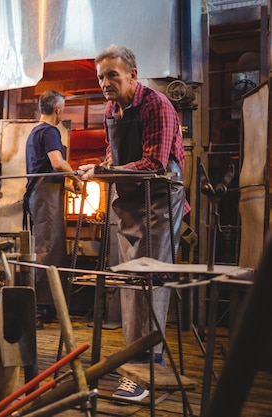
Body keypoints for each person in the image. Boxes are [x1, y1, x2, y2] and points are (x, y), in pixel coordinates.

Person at [79, 44, 189, 402]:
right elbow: (114, 154)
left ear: (132, 75)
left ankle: (149, 372)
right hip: (128, 204)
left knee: (150, 283)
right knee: (130, 284)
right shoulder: (112, 108)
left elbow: (155, 164)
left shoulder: (157, 105)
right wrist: (99, 167)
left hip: (158, 204)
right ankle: (136, 361)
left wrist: (105, 171)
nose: (105, 82)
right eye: (101, 77)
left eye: (112, 74)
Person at [24, 90, 81, 316]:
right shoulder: (50, 131)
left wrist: (66, 186)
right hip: (45, 198)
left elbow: (43, 171)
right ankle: (43, 306)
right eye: (62, 109)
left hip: (41, 194)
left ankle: (46, 302)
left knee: (48, 245)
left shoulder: (34, 133)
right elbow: (57, 164)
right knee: (47, 248)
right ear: (58, 109)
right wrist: (75, 178)